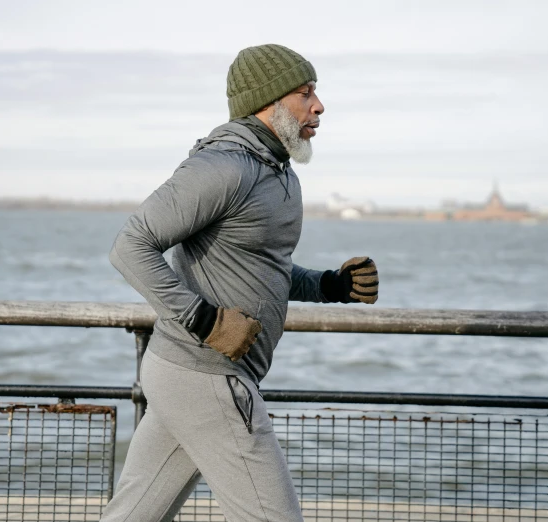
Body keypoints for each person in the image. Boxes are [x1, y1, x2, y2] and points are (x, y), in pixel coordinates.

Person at [100, 44, 379, 522]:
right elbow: (130, 246)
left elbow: (261, 268)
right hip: (205, 373)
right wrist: (204, 319)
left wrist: (328, 285)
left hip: (189, 376)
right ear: (267, 102)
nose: (319, 105)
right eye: (305, 93)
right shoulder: (224, 166)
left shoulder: (278, 172)